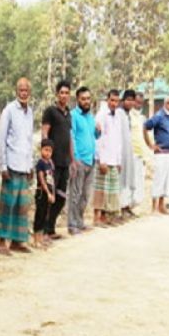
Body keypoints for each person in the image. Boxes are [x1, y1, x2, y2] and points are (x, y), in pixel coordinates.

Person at [0, 77, 34, 254]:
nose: (23, 93)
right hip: (11, 164)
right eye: (20, 90)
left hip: (24, 165)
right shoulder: (9, 110)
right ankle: (2, 241)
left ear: (29, 92)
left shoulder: (30, 112)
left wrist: (31, 164)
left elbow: (29, 140)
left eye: (26, 90)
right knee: (7, 204)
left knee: (22, 204)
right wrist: (2, 166)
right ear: (16, 91)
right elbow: (2, 139)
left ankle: (17, 241)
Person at [40, 80, 71, 239]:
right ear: (57, 94)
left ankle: (51, 228)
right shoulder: (50, 111)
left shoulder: (68, 114)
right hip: (53, 163)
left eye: (67, 93)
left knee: (60, 197)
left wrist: (72, 159)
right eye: (61, 93)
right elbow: (45, 133)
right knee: (48, 196)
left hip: (65, 163)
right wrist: (46, 158)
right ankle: (43, 231)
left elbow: (69, 138)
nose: (64, 95)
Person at [67, 86, 98, 235]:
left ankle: (79, 222)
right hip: (79, 161)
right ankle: (72, 224)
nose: (86, 101)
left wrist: (98, 131)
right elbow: (71, 137)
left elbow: (94, 137)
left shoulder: (91, 117)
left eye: (88, 99)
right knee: (75, 193)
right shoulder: (73, 116)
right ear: (77, 100)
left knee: (86, 195)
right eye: (83, 99)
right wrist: (75, 159)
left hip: (91, 160)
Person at [143, 96, 169, 215]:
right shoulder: (159, 116)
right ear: (164, 103)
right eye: (168, 103)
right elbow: (146, 126)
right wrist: (150, 144)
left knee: (166, 180)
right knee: (159, 179)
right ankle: (153, 208)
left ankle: (161, 205)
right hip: (161, 153)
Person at [93, 89, 124, 226]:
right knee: (100, 189)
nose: (114, 103)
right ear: (107, 100)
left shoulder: (118, 116)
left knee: (111, 189)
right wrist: (101, 159)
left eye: (117, 101)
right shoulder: (101, 115)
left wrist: (118, 160)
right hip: (104, 158)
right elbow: (99, 139)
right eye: (112, 100)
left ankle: (105, 217)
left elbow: (118, 139)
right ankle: (96, 217)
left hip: (113, 158)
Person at [119, 90, 144, 217]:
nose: (131, 102)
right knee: (123, 182)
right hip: (123, 154)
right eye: (128, 100)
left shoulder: (131, 115)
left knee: (130, 182)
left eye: (132, 100)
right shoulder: (119, 114)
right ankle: (122, 208)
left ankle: (127, 207)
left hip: (134, 152)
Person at [32, 139, 56, 249]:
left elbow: (52, 180)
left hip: (49, 193)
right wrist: (47, 192)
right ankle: (36, 239)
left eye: (50, 151)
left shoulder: (50, 163)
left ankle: (41, 239)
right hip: (42, 193)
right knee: (39, 215)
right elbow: (42, 179)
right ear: (41, 150)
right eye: (46, 150)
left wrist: (53, 194)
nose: (48, 153)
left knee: (45, 216)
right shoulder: (40, 163)